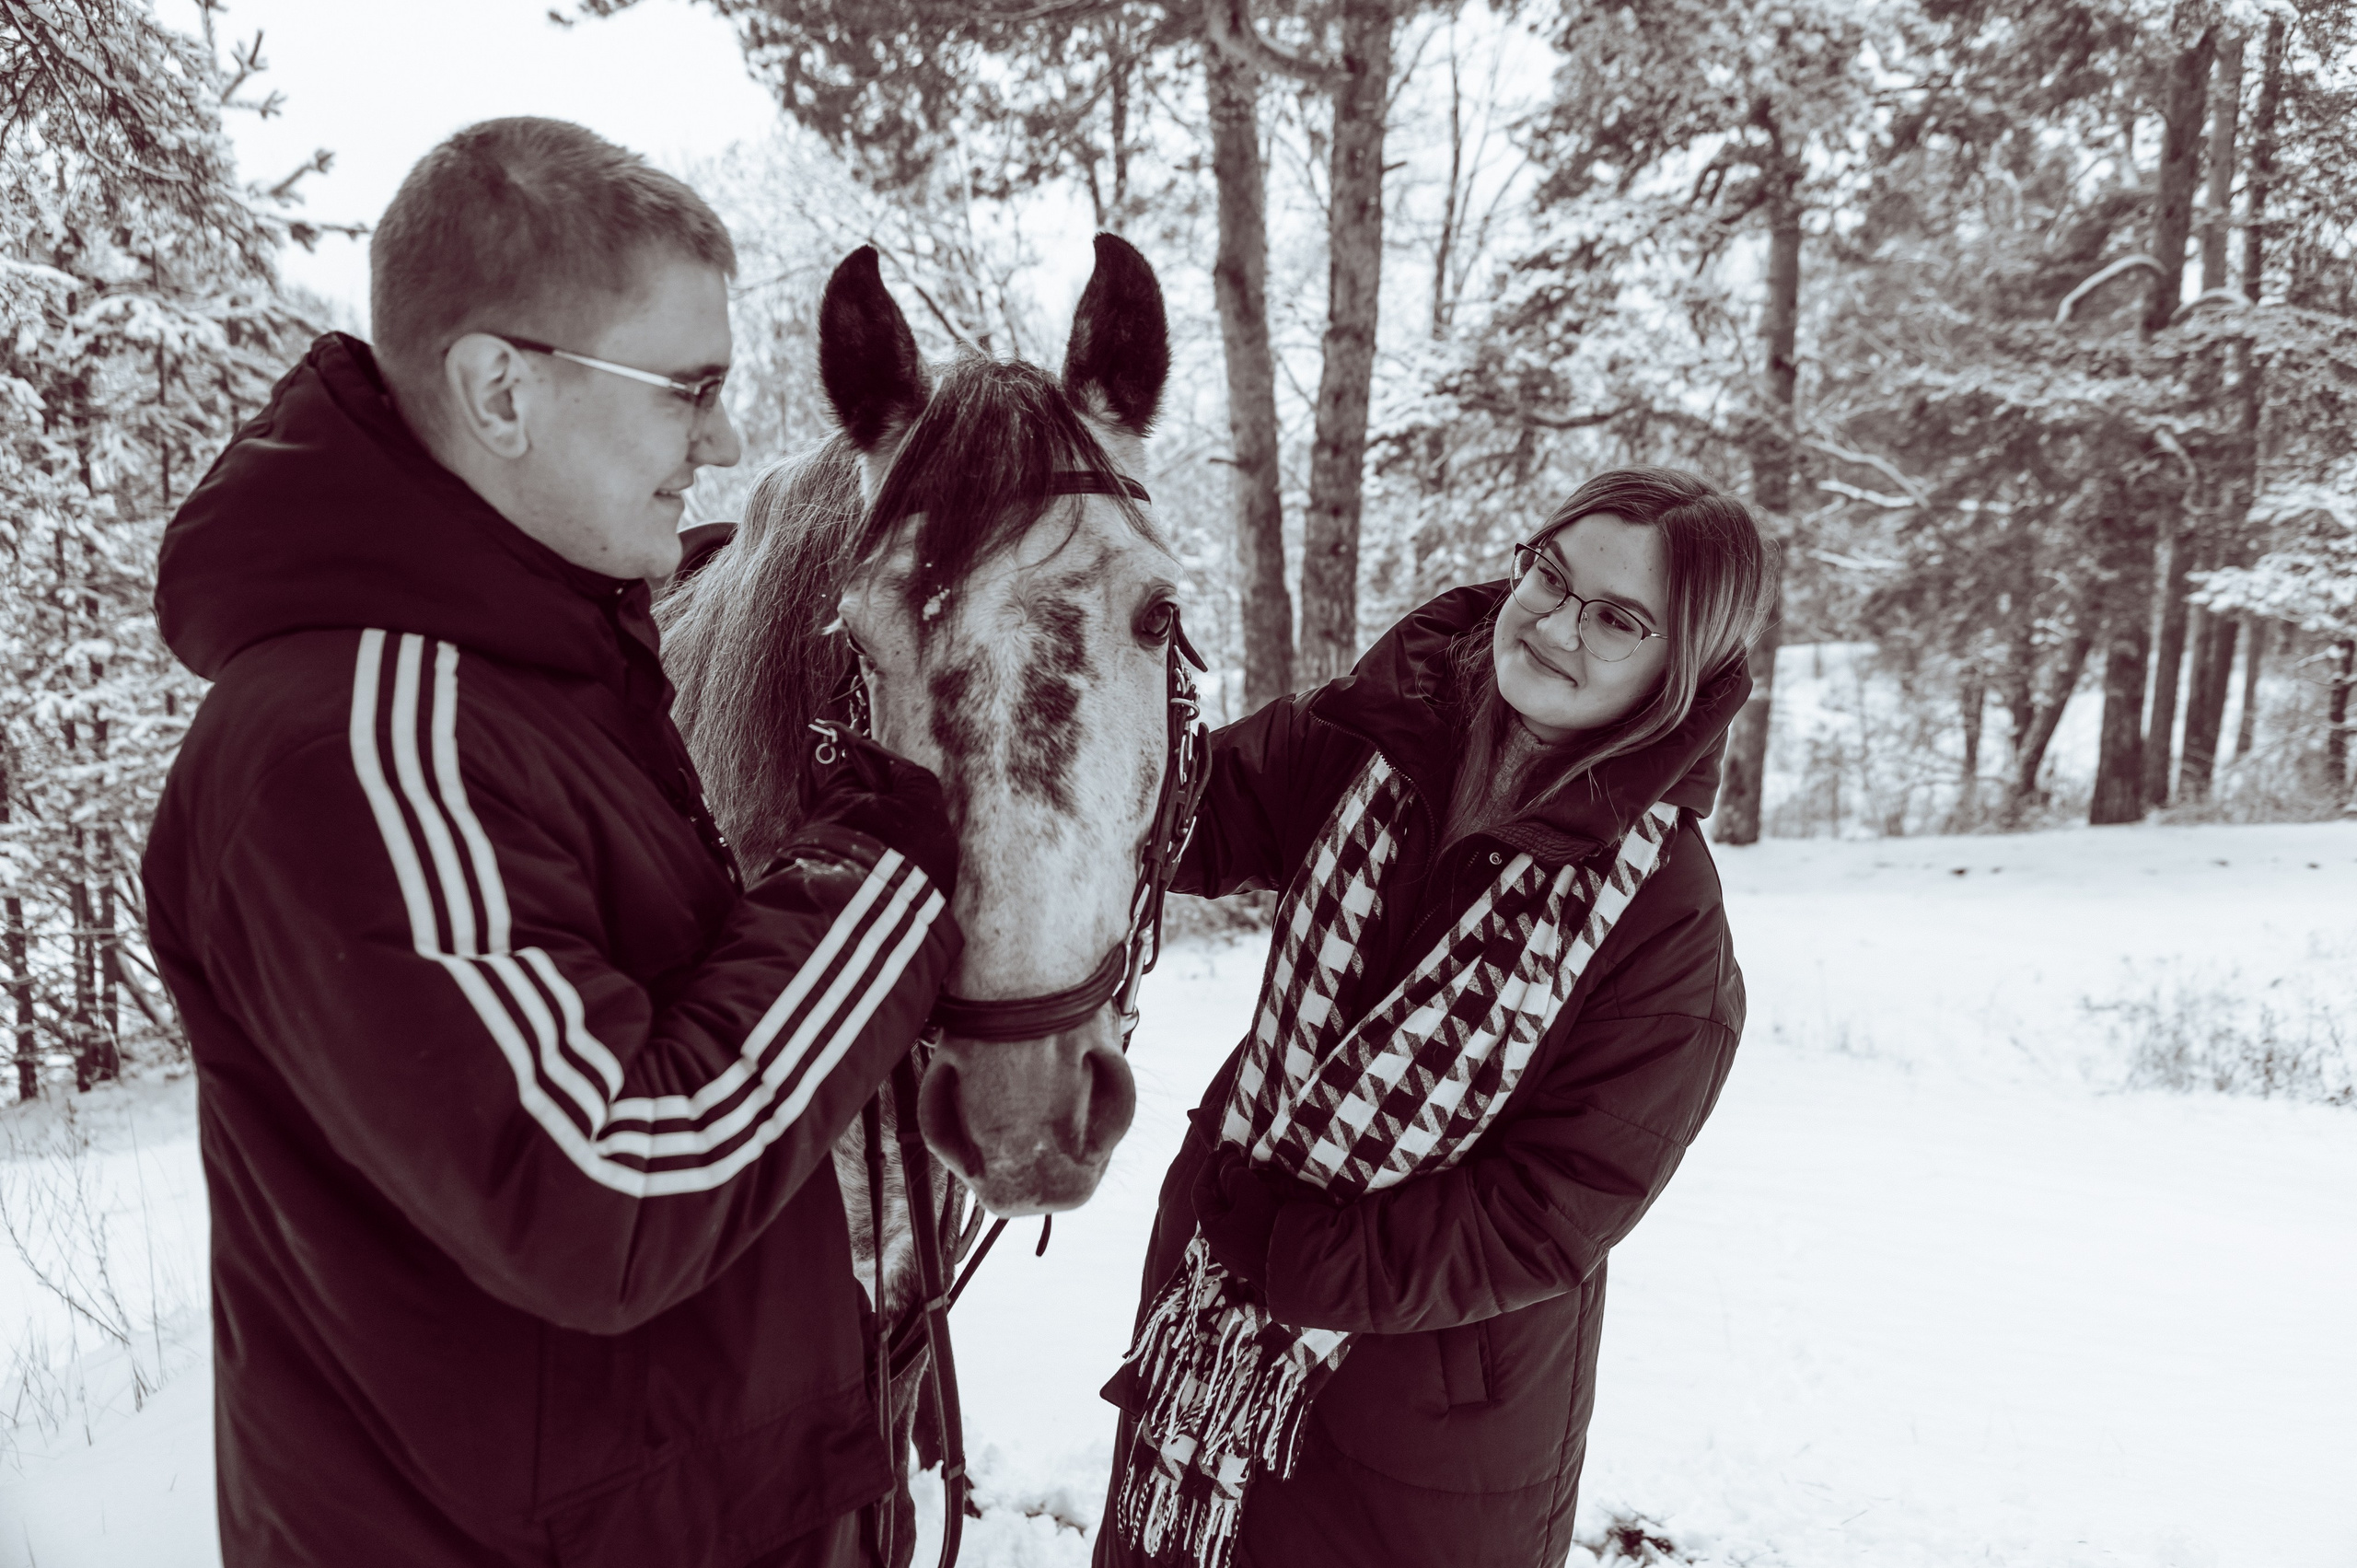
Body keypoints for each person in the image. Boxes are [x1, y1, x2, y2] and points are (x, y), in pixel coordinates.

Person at [143, 118, 958, 1568]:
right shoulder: (360, 741)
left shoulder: (531, 683)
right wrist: (876, 870)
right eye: (687, 389)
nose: (719, 440)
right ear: (500, 389)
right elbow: (610, 1186)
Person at [1096, 467, 1778, 1568]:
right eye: (1550, 577)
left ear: (1676, 666)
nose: (1557, 625)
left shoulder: (1665, 920)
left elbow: (1549, 1210)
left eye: (1616, 618)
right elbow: (1188, 813)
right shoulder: (1382, 732)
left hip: (1427, 1416)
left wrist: (1294, 1251)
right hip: (1213, 1314)